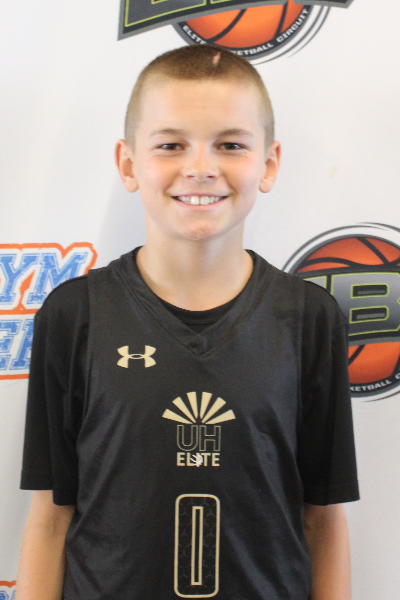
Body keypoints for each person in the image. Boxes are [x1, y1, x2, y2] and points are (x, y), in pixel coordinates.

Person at [16, 45, 359, 600]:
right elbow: (50, 519)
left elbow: (325, 521)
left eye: (230, 144)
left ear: (269, 164)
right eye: (171, 145)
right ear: (129, 164)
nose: (201, 167)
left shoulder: (309, 319)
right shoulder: (76, 314)